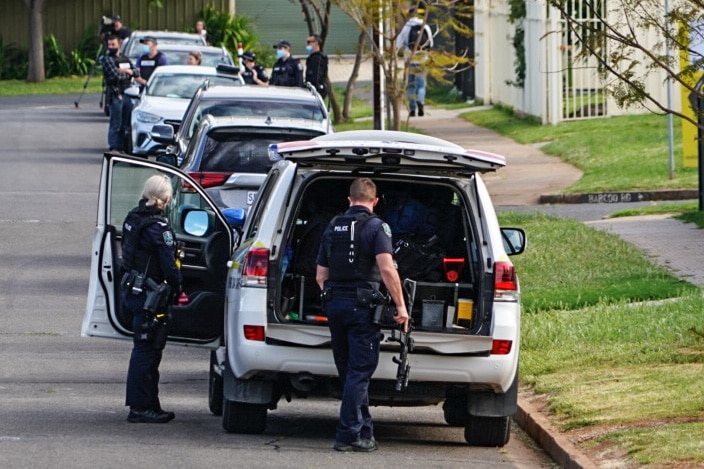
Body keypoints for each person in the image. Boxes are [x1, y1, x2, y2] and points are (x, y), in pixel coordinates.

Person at [315, 178, 409, 452]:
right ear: (375, 201)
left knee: (349, 371)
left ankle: (363, 429)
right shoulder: (378, 227)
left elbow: (320, 275)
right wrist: (400, 306)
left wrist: (335, 295)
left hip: (334, 305)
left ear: (349, 199)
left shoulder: (333, 226)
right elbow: (387, 269)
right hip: (362, 307)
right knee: (360, 371)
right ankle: (348, 436)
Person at [120, 174, 182, 424]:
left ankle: (148, 404)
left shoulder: (133, 219)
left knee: (144, 350)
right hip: (151, 298)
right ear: (165, 198)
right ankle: (140, 407)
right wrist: (178, 287)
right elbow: (169, 266)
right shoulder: (159, 227)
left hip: (135, 292)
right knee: (147, 352)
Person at [100, 35, 137, 152]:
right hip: (115, 95)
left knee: (126, 123)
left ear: (119, 45)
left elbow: (136, 72)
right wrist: (129, 74)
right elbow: (115, 76)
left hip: (128, 94)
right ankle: (114, 147)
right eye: (109, 45)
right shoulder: (107, 59)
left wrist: (127, 71)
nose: (111, 47)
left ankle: (124, 146)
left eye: (113, 44)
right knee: (116, 123)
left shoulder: (125, 59)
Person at [396, 4, 434, 117]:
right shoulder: (425, 26)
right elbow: (430, 44)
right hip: (422, 60)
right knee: (421, 85)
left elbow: (398, 44)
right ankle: (420, 101)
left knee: (411, 85)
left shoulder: (407, 27)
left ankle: (412, 109)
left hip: (410, 61)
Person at [305, 34, 328, 99]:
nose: (307, 44)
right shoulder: (312, 57)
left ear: (316, 43)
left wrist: (315, 88)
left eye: (309, 42)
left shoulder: (318, 58)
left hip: (316, 90)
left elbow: (317, 76)